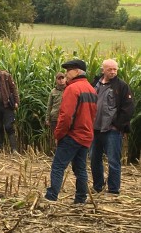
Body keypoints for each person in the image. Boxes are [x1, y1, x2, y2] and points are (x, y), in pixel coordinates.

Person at [45, 59, 97, 204]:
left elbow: (66, 116)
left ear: (77, 71)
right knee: (80, 168)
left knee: (58, 166)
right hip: (86, 136)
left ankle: (51, 197)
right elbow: (93, 114)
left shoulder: (72, 89)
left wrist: (59, 134)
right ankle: (81, 198)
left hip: (72, 135)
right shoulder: (91, 89)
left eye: (69, 70)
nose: (66, 74)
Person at [90, 59, 134, 195]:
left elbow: (128, 108)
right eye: (110, 69)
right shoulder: (95, 84)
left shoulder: (121, 86)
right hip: (95, 129)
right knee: (94, 159)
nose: (113, 72)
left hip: (111, 131)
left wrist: (117, 126)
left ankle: (113, 190)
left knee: (113, 160)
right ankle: (98, 186)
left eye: (115, 69)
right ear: (103, 70)